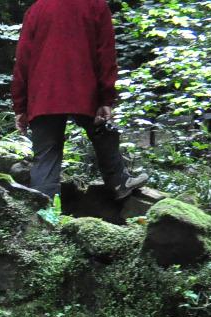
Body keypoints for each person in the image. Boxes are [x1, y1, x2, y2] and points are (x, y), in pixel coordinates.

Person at [11, 0, 147, 199]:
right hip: (84, 90)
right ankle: (119, 182)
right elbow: (106, 55)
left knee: (46, 157)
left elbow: (23, 60)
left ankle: (42, 218)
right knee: (103, 133)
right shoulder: (96, 6)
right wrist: (106, 99)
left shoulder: (37, 10)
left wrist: (20, 106)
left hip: (44, 94)